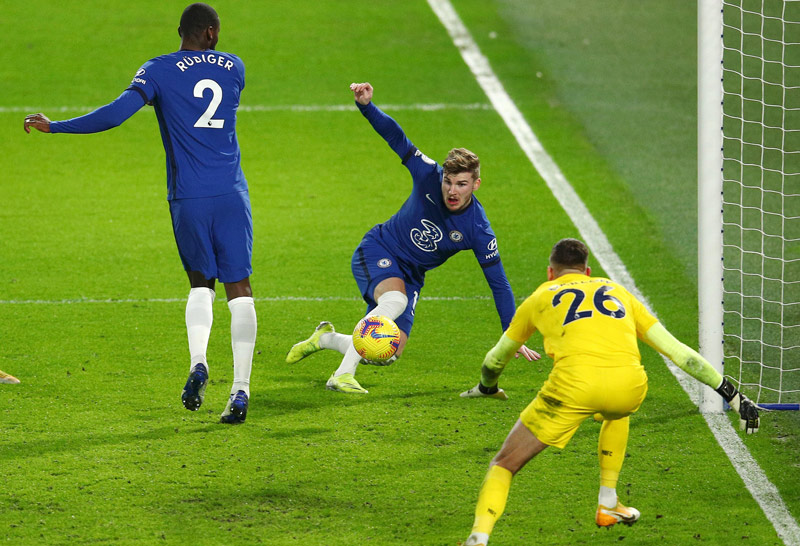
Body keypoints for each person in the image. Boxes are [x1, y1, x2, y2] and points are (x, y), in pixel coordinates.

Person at [23, 3, 256, 424]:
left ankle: (199, 362)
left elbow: (115, 115)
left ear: (180, 31)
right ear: (210, 32)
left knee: (200, 285)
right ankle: (240, 389)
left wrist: (56, 126)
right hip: (231, 194)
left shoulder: (158, 69)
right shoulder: (234, 66)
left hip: (189, 197)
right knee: (239, 289)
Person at [460, 238, 759, 546]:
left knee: (504, 464)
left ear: (550, 272)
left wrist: (487, 386)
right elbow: (680, 353)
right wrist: (733, 396)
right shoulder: (619, 293)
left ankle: (479, 537)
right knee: (616, 410)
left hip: (572, 388)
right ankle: (608, 502)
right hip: (628, 387)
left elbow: (495, 360)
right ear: (587, 271)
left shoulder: (539, 297)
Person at [285, 82, 539, 394]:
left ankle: (324, 339)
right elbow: (397, 138)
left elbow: (498, 284)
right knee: (395, 300)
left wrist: (511, 336)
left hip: (412, 274)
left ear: (476, 185)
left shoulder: (478, 228)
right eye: (448, 181)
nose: (452, 191)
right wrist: (367, 107)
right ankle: (341, 375)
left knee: (387, 352)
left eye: (461, 184)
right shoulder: (428, 174)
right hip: (379, 249)